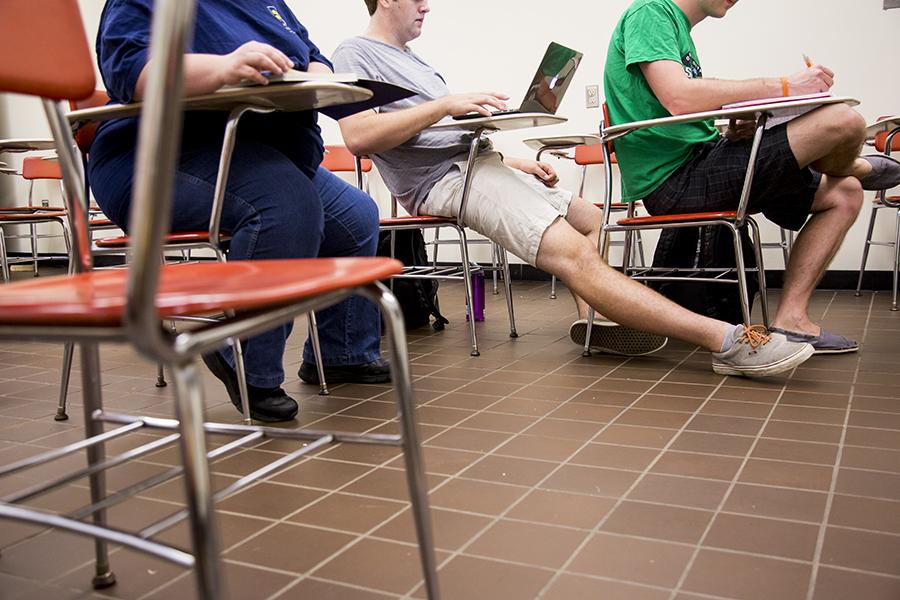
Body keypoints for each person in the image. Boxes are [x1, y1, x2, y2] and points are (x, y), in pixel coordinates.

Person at [331, 0, 815, 377]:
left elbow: (440, 138)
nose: (428, 7)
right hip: (441, 182)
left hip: (476, 165)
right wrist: (447, 104)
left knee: (590, 217)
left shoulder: (414, 61)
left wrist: (512, 157)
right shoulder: (354, 52)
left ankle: (595, 323)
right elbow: (359, 137)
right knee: (571, 251)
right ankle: (727, 340)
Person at [89, 0, 390, 423]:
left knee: (357, 215)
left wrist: (318, 76)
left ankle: (344, 352)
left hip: (257, 151)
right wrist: (223, 68)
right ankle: (248, 362)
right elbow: (133, 71)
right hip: (161, 154)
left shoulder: (268, 4)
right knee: (285, 205)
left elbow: (311, 54)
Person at [604, 0, 900, 354]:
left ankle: (792, 321)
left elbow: (679, 110)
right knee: (844, 122)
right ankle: (850, 164)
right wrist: (785, 86)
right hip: (674, 179)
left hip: (702, 157)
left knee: (845, 194)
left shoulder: (677, 28)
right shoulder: (650, 12)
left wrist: (733, 123)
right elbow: (678, 98)